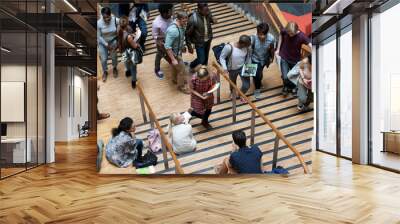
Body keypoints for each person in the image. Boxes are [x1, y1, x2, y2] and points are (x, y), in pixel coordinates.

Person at [275, 21, 312, 96]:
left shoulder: (302, 36)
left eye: (292, 34)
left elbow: (310, 45)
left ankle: (292, 87)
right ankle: (286, 86)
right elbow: (281, 35)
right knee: (285, 76)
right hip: (284, 56)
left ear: (296, 30)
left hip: (295, 59)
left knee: (292, 76)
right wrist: (278, 49)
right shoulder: (286, 30)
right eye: (289, 33)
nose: (290, 35)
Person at [164, 10, 192, 94]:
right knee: (182, 70)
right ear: (178, 19)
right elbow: (167, 46)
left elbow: (179, 37)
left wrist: (182, 46)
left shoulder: (181, 26)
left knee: (175, 67)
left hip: (177, 51)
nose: (186, 22)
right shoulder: (173, 30)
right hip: (174, 54)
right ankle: (181, 86)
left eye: (186, 20)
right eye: (184, 21)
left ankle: (174, 79)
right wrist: (173, 59)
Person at [219, 35, 252, 102]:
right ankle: (232, 93)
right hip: (232, 70)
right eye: (247, 45)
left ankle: (241, 94)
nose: (248, 46)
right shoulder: (229, 47)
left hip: (243, 68)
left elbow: (248, 57)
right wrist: (225, 68)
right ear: (242, 44)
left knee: (246, 85)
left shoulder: (247, 47)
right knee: (233, 83)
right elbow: (222, 58)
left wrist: (249, 68)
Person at [186, 3, 217, 73]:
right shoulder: (193, 19)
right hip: (199, 42)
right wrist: (189, 46)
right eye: (205, 11)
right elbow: (187, 34)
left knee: (206, 57)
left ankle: (203, 68)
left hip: (208, 40)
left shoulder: (208, 13)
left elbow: (213, 20)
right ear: (199, 10)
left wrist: (213, 18)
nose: (207, 12)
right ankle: (192, 65)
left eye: (207, 10)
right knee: (201, 59)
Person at [250, 23, 275, 99]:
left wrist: (272, 58)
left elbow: (272, 48)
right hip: (255, 59)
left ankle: (258, 82)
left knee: (258, 74)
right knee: (257, 75)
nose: (260, 36)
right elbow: (249, 50)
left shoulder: (271, 38)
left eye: (262, 34)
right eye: (259, 34)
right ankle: (257, 90)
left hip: (264, 59)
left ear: (266, 33)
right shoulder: (253, 38)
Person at [118, 16, 142, 89]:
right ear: (127, 23)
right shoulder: (128, 36)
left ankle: (127, 72)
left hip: (124, 51)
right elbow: (135, 46)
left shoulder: (119, 30)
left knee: (126, 62)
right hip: (131, 52)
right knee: (133, 68)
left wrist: (132, 35)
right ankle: (133, 82)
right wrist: (137, 39)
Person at [97, 7, 119, 82]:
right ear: (102, 16)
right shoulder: (99, 23)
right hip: (103, 43)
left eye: (108, 17)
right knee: (103, 59)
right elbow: (99, 36)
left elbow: (122, 27)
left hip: (113, 41)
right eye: (104, 17)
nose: (106, 19)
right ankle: (105, 71)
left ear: (110, 15)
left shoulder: (115, 20)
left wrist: (118, 42)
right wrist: (106, 44)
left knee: (114, 57)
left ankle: (115, 68)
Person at [152, 3, 174, 79]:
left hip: (172, 41)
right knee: (159, 55)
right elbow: (155, 36)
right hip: (162, 43)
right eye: (171, 10)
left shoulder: (171, 17)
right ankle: (157, 69)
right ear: (165, 13)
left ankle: (177, 62)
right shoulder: (156, 23)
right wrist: (161, 44)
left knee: (173, 54)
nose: (173, 12)